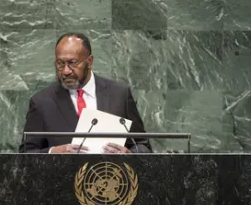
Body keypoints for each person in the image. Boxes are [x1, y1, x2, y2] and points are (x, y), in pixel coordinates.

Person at [19, 32, 152, 154]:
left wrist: (130, 154)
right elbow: (26, 154)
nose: (65, 71)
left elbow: (142, 146)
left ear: (89, 61)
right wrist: (54, 152)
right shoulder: (42, 102)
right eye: (60, 64)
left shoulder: (119, 94)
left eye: (72, 63)